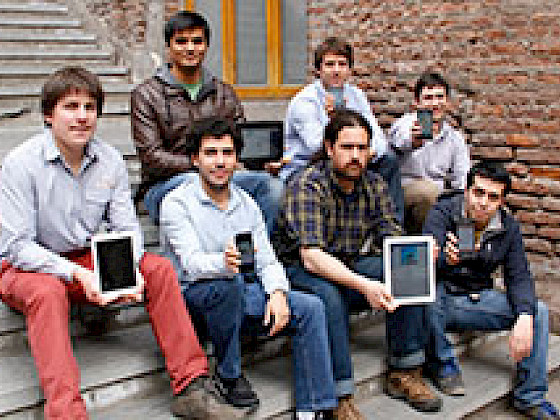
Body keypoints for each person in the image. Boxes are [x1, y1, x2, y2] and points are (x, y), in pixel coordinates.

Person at [0, 66, 242, 420]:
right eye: (71, 107)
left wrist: (128, 270)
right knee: (48, 293)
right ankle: (66, 413)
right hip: (29, 267)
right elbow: (18, 246)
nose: (82, 117)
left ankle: (191, 386)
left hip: (86, 258)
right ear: (49, 115)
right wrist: (77, 275)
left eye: (90, 107)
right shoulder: (21, 164)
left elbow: (127, 229)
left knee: (158, 269)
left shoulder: (109, 159)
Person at [159, 117, 338, 420]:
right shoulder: (176, 204)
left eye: (227, 153)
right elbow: (190, 264)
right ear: (195, 159)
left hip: (241, 294)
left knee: (310, 307)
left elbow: (267, 260)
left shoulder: (247, 204)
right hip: (195, 302)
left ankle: (314, 410)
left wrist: (278, 293)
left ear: (236, 159)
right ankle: (229, 375)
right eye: (211, 153)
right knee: (229, 284)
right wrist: (223, 262)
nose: (220, 162)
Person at [273, 109, 442, 418]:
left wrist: (417, 251)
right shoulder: (307, 184)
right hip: (299, 269)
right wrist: (364, 285)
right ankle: (339, 395)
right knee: (329, 295)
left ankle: (405, 370)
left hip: (347, 263)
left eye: (362, 148)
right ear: (329, 148)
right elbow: (311, 257)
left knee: (405, 269)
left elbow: (392, 237)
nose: (355, 156)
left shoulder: (374, 184)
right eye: (347, 147)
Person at [423, 161, 559, 419]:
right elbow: (422, 264)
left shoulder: (508, 227)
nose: (483, 203)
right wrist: (444, 260)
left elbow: (519, 276)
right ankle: (442, 364)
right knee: (426, 297)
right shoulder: (442, 213)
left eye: (493, 197)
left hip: (475, 299)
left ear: (502, 201)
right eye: (478, 193)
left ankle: (530, 396)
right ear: (466, 191)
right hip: (441, 296)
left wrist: (524, 316)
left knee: (538, 311)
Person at [131, 10, 282, 230]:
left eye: (197, 41)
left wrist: (262, 163)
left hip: (222, 176)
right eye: (181, 42)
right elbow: (151, 157)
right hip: (166, 185)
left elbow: (241, 145)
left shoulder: (224, 93)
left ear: (206, 46)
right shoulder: (146, 95)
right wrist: (203, 165)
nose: (190, 48)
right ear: (168, 47)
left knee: (272, 186)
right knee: (196, 184)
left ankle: (255, 247)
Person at [281, 37, 404, 223]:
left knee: (388, 160)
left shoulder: (356, 96)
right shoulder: (305, 101)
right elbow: (318, 146)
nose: (336, 71)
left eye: (342, 64)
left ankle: (393, 227)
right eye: (330, 64)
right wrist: (334, 118)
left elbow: (378, 139)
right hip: (307, 165)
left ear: (349, 70)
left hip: (349, 158)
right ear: (318, 70)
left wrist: (367, 152)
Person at [388, 71, 470, 233]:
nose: (435, 103)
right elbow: (400, 141)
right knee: (427, 193)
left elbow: (462, 179)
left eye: (440, 97)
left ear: (447, 101)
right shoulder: (405, 124)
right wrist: (414, 141)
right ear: (417, 103)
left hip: (439, 197)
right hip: (403, 195)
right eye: (428, 98)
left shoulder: (454, 137)